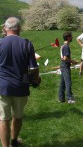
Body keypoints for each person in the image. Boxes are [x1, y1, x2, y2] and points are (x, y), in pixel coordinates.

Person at [0, 17, 40, 147]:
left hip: (2, 86)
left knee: (3, 118)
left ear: (5, 29)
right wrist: (36, 79)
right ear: (19, 28)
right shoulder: (26, 43)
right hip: (21, 85)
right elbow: (34, 68)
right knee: (17, 116)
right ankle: (14, 141)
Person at [58, 31, 77, 104]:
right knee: (68, 82)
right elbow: (65, 58)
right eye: (71, 36)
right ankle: (70, 98)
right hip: (65, 66)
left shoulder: (63, 46)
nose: (72, 37)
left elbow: (63, 58)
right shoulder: (66, 47)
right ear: (68, 38)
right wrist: (73, 61)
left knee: (62, 83)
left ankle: (61, 98)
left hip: (63, 65)